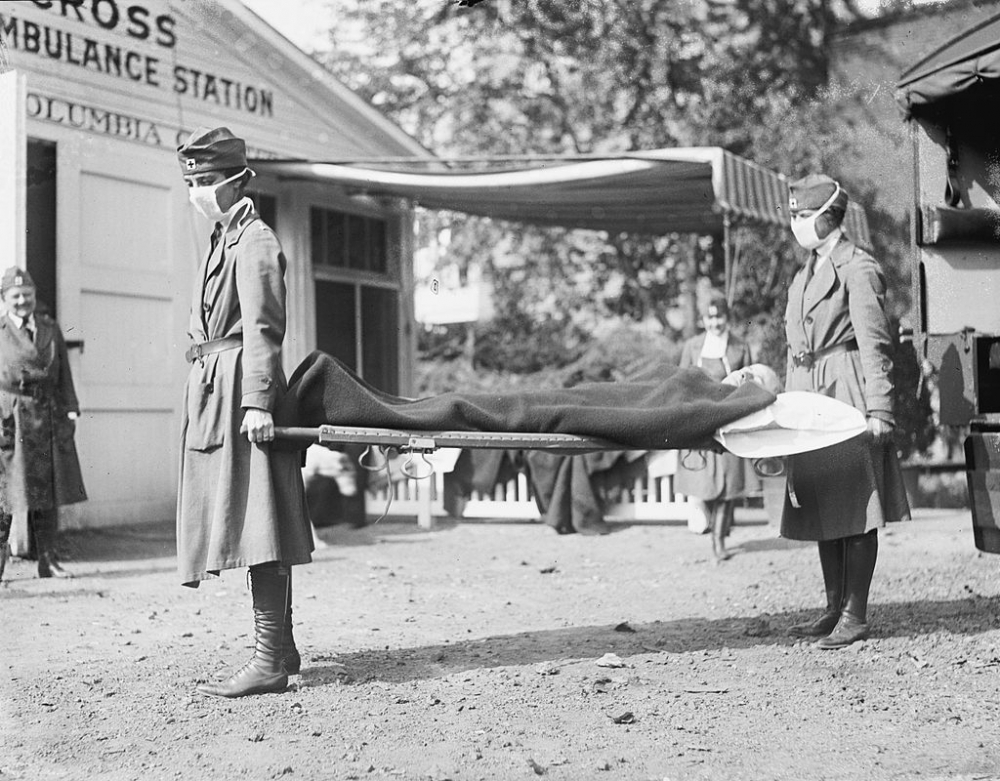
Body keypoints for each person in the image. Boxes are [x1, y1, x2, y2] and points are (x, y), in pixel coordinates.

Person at [175, 127, 313, 697]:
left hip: (241, 392)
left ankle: (269, 660)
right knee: (250, 520)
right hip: (215, 389)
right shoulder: (222, 237)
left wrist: (258, 400)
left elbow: (263, 328)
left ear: (237, 181)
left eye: (206, 181)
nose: (198, 191)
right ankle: (281, 648)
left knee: (260, 524)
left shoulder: (253, 239)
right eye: (191, 182)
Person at [781, 174, 910, 649]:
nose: (795, 223)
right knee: (821, 504)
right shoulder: (806, 271)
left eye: (801, 215)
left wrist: (880, 409)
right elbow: (795, 344)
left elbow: (876, 341)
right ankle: (833, 608)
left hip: (847, 391)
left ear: (827, 217)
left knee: (855, 506)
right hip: (808, 393)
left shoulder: (858, 267)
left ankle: (855, 615)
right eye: (792, 214)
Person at [0, 267, 87, 582]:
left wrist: (71, 409)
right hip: (11, 418)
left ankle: (47, 561)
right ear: (5, 299)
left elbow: (63, 373)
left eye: (27, 295)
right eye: (16, 296)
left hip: (47, 415)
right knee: (5, 495)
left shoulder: (50, 328)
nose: (23, 301)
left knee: (47, 493)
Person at [673, 293, 758, 561]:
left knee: (729, 484)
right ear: (703, 319)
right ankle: (711, 525)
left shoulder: (739, 347)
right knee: (704, 482)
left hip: (728, 419)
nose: (715, 323)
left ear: (727, 318)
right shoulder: (693, 346)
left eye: (719, 316)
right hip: (699, 420)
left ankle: (719, 540)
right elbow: (680, 382)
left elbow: (749, 383)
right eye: (710, 317)